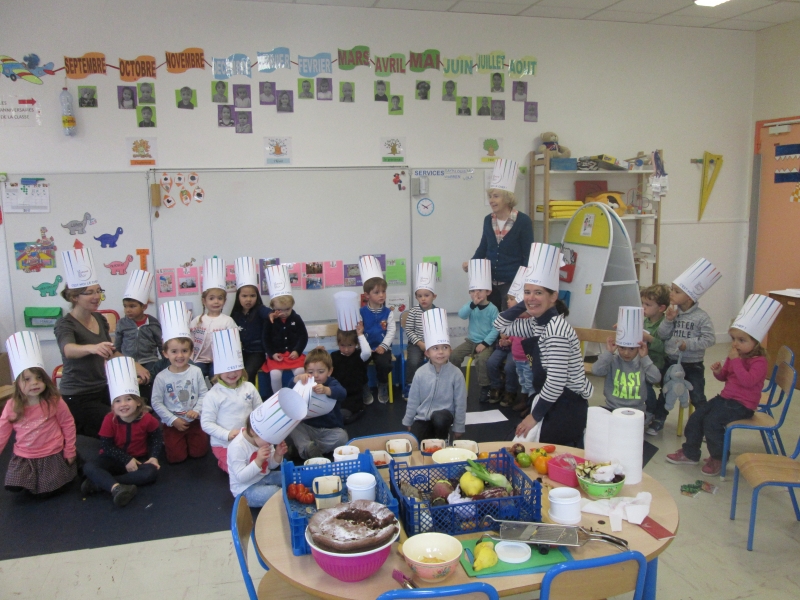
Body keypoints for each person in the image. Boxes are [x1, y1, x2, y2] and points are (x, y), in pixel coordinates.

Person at [666, 294, 779, 476]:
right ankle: (690, 453)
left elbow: (748, 381)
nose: (735, 344)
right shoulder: (735, 356)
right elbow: (725, 377)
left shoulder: (759, 361)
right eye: (733, 339)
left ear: (756, 341)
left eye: (741, 340)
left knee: (712, 423)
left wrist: (736, 361)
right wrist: (719, 371)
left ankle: (719, 458)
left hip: (743, 405)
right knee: (697, 417)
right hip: (726, 398)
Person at [503, 243, 593, 447]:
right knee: (515, 444)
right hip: (550, 399)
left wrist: (533, 417)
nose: (531, 298)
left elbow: (556, 381)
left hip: (567, 405)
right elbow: (502, 325)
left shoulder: (556, 330)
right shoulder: (538, 324)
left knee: (534, 450)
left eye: (539, 293)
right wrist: (525, 302)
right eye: (527, 292)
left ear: (553, 297)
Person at [55, 249, 150, 437]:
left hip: (103, 388)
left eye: (98, 291)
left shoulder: (99, 319)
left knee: (138, 410)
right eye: (89, 292)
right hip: (78, 395)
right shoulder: (65, 324)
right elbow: (69, 350)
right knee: (117, 423)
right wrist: (92, 348)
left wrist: (134, 365)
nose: (97, 296)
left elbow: (110, 351)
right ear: (74, 297)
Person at [647, 259, 719, 435]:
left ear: (689, 297)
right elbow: (662, 335)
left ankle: (705, 426)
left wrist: (689, 344)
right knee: (665, 392)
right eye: (672, 289)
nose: (671, 294)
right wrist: (668, 320)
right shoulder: (673, 313)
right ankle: (658, 421)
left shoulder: (702, 317)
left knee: (698, 396)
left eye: (676, 291)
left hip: (693, 365)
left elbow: (710, 339)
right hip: (672, 362)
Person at [1, 332, 77, 496]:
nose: (34, 383)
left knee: (48, 491)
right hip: (25, 455)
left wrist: (70, 449)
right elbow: (2, 431)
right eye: (27, 379)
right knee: (14, 484)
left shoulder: (54, 401)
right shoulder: (12, 405)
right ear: (17, 383)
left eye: (38, 378)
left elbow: (68, 424)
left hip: (51, 453)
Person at [81, 357, 162, 507]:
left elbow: (156, 437)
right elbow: (106, 445)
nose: (123, 404)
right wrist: (126, 459)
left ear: (138, 402)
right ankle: (115, 487)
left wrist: (154, 457)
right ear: (113, 406)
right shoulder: (109, 419)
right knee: (89, 467)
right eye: (118, 401)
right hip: (113, 458)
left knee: (151, 473)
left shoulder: (147, 419)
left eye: (128, 399)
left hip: (138, 459)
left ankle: (103, 483)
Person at [463, 158, 533, 311]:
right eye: (490, 196)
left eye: (496, 196)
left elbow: (528, 256)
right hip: (489, 283)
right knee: (491, 320)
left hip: (511, 284)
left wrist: (521, 285)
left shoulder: (523, 221)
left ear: (507, 198)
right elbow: (483, 247)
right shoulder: (488, 220)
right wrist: (472, 263)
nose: (491, 200)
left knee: (508, 320)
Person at [151, 303, 209, 464]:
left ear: (191, 352)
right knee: (176, 458)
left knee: (199, 453)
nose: (180, 356)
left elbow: (204, 394)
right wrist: (172, 420)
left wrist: (196, 410)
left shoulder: (196, 371)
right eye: (174, 351)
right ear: (165, 353)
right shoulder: (162, 377)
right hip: (173, 423)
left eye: (184, 351)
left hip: (194, 420)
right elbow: (156, 402)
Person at [200, 329, 263, 472]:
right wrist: (227, 434)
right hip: (224, 444)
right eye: (227, 370)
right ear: (218, 371)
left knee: (260, 466)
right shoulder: (213, 395)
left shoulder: (249, 387)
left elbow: (260, 411)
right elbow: (206, 423)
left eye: (236, 369)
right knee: (239, 471)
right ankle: (223, 462)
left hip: (249, 441)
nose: (232, 374)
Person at [403, 308, 467, 441]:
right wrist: (408, 420)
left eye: (445, 347)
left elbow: (460, 402)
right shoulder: (420, 373)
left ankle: (443, 438)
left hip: (444, 416)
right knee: (416, 441)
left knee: (439, 419)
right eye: (435, 348)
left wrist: (459, 427)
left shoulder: (456, 374)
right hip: (423, 417)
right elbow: (413, 399)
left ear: (450, 350)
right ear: (427, 353)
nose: (441, 352)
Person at [592, 311, 661, 414]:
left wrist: (645, 358)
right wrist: (608, 353)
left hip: (636, 411)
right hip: (612, 407)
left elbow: (656, 378)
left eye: (632, 349)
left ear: (639, 348)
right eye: (622, 348)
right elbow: (596, 371)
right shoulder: (612, 360)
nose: (626, 353)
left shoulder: (643, 363)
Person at [450, 260, 499, 403]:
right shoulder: (471, 306)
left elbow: (496, 328)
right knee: (453, 356)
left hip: (485, 343)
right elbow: (462, 315)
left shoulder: (493, 309)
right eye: (472, 291)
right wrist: (472, 304)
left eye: (480, 290)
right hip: (470, 341)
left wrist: (485, 343)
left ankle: (485, 386)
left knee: (481, 360)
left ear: (488, 292)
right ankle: (455, 382)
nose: (476, 294)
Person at [289, 349, 348, 459]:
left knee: (342, 437)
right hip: (308, 427)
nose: (315, 375)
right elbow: (289, 390)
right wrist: (296, 379)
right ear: (305, 371)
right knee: (292, 424)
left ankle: (306, 449)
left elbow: (342, 393)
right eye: (310, 372)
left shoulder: (331, 382)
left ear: (329, 371)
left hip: (329, 429)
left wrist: (327, 390)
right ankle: (307, 447)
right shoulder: (304, 383)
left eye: (321, 372)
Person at [114, 270, 162, 400]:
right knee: (130, 389)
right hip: (128, 362)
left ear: (144, 307)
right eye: (125, 306)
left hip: (150, 361)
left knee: (149, 383)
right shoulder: (122, 323)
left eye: (132, 306)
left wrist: (166, 363)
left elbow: (161, 344)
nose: (127, 310)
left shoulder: (152, 323)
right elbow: (117, 346)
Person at [227, 405, 288, 507]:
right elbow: (241, 477)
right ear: (253, 432)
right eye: (269, 439)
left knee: (287, 477)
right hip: (245, 489)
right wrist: (258, 461)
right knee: (276, 493)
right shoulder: (237, 447)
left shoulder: (265, 440)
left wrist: (277, 455)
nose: (271, 443)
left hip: (263, 477)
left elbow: (270, 466)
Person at [262, 265, 308, 393]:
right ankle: (278, 396)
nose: (284, 313)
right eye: (279, 310)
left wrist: (297, 351)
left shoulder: (296, 318)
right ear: (273, 307)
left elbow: (303, 336)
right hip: (277, 356)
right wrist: (272, 354)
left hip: (293, 355)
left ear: (292, 305)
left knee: (300, 371)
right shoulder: (269, 320)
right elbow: (265, 339)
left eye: (287, 309)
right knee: (275, 374)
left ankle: (299, 394)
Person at [190, 258, 238, 378]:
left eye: (220, 298)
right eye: (211, 298)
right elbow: (189, 340)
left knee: (216, 376)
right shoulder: (197, 321)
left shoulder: (227, 321)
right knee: (196, 374)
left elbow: (234, 343)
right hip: (199, 359)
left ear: (224, 301)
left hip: (220, 360)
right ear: (204, 301)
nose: (216, 301)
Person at [359, 256, 395, 404]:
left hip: (382, 347)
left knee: (384, 364)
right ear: (367, 295)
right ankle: (364, 387)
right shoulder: (361, 312)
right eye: (377, 292)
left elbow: (391, 331)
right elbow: (359, 332)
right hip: (365, 347)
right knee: (357, 364)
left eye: (383, 291)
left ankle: (382, 385)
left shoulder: (388, 312)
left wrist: (383, 346)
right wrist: (364, 345)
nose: (381, 295)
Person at [230, 257, 271, 384]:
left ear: (257, 297)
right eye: (244, 296)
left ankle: (250, 395)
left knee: (248, 372)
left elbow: (267, 312)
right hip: (240, 352)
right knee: (232, 371)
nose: (248, 299)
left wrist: (272, 314)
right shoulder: (235, 315)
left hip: (257, 352)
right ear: (238, 297)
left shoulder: (260, 310)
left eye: (252, 296)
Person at [403, 263, 438, 399]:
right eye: (419, 296)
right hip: (416, 344)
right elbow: (409, 330)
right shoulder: (413, 312)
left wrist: (434, 344)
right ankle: (410, 385)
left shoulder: (437, 312)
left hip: (433, 344)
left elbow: (440, 330)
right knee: (413, 361)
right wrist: (420, 343)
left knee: (439, 360)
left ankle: (435, 385)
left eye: (426, 295)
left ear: (434, 296)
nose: (423, 298)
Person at [641, 283, 669, 425]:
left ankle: (650, 411)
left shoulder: (666, 324)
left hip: (659, 365)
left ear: (661, 308)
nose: (643, 307)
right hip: (643, 362)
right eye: (642, 303)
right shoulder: (644, 321)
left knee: (644, 382)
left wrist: (649, 339)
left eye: (648, 304)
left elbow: (666, 348)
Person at [331, 324, 370, 424]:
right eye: (342, 345)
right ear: (338, 343)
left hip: (354, 394)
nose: (346, 349)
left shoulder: (360, 355)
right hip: (339, 394)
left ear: (356, 343)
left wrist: (360, 335)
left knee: (344, 415)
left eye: (350, 345)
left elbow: (367, 352)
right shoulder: (334, 356)